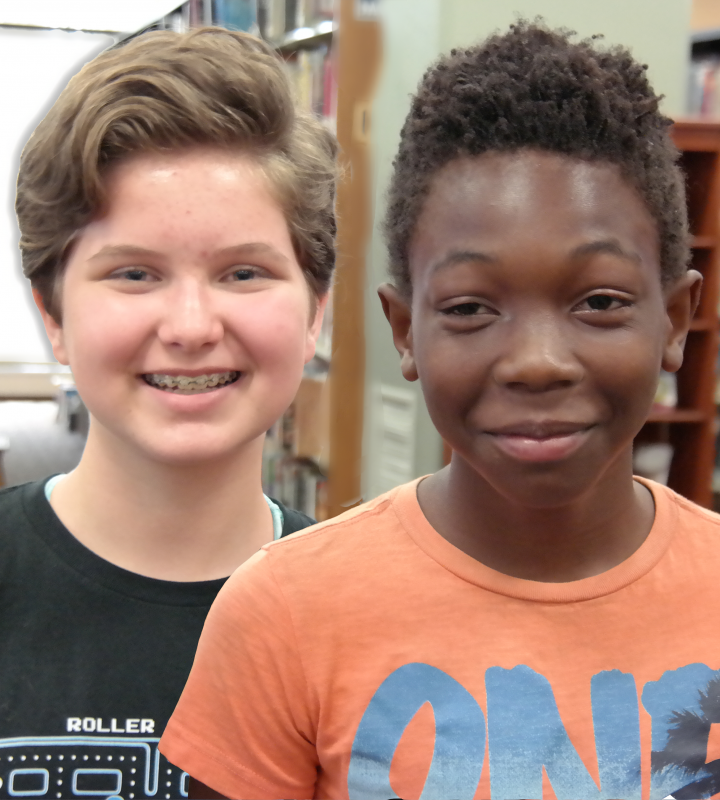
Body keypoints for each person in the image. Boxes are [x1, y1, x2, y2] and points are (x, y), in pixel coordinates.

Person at [159, 21, 715, 800]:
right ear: (404, 330)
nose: (537, 362)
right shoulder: (286, 613)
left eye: (598, 301)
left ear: (676, 321)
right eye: (469, 308)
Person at [1, 26, 336, 799]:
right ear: (54, 315)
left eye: (243, 272)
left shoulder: (368, 615)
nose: (190, 326)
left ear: (313, 311)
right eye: (135, 274)